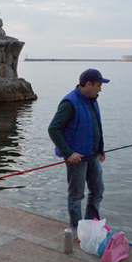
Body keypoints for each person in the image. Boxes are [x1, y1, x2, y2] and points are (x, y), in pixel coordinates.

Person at [48, 68, 109, 233]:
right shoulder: (69, 103)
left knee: (97, 191)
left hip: (93, 156)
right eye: (98, 85)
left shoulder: (92, 100)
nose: (100, 89)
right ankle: (76, 229)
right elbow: (53, 129)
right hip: (77, 159)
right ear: (88, 84)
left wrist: (100, 148)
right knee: (77, 196)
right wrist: (69, 153)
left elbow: (95, 126)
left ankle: (92, 226)